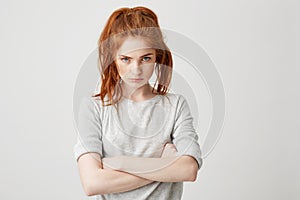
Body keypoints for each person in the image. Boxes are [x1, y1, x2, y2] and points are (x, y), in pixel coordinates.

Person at [73, 6, 203, 200]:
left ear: (157, 56)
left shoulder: (175, 106)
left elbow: (189, 169)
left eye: (145, 58)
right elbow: (93, 183)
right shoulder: (94, 108)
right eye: (126, 59)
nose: (136, 69)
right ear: (113, 59)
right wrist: (164, 164)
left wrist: (121, 163)